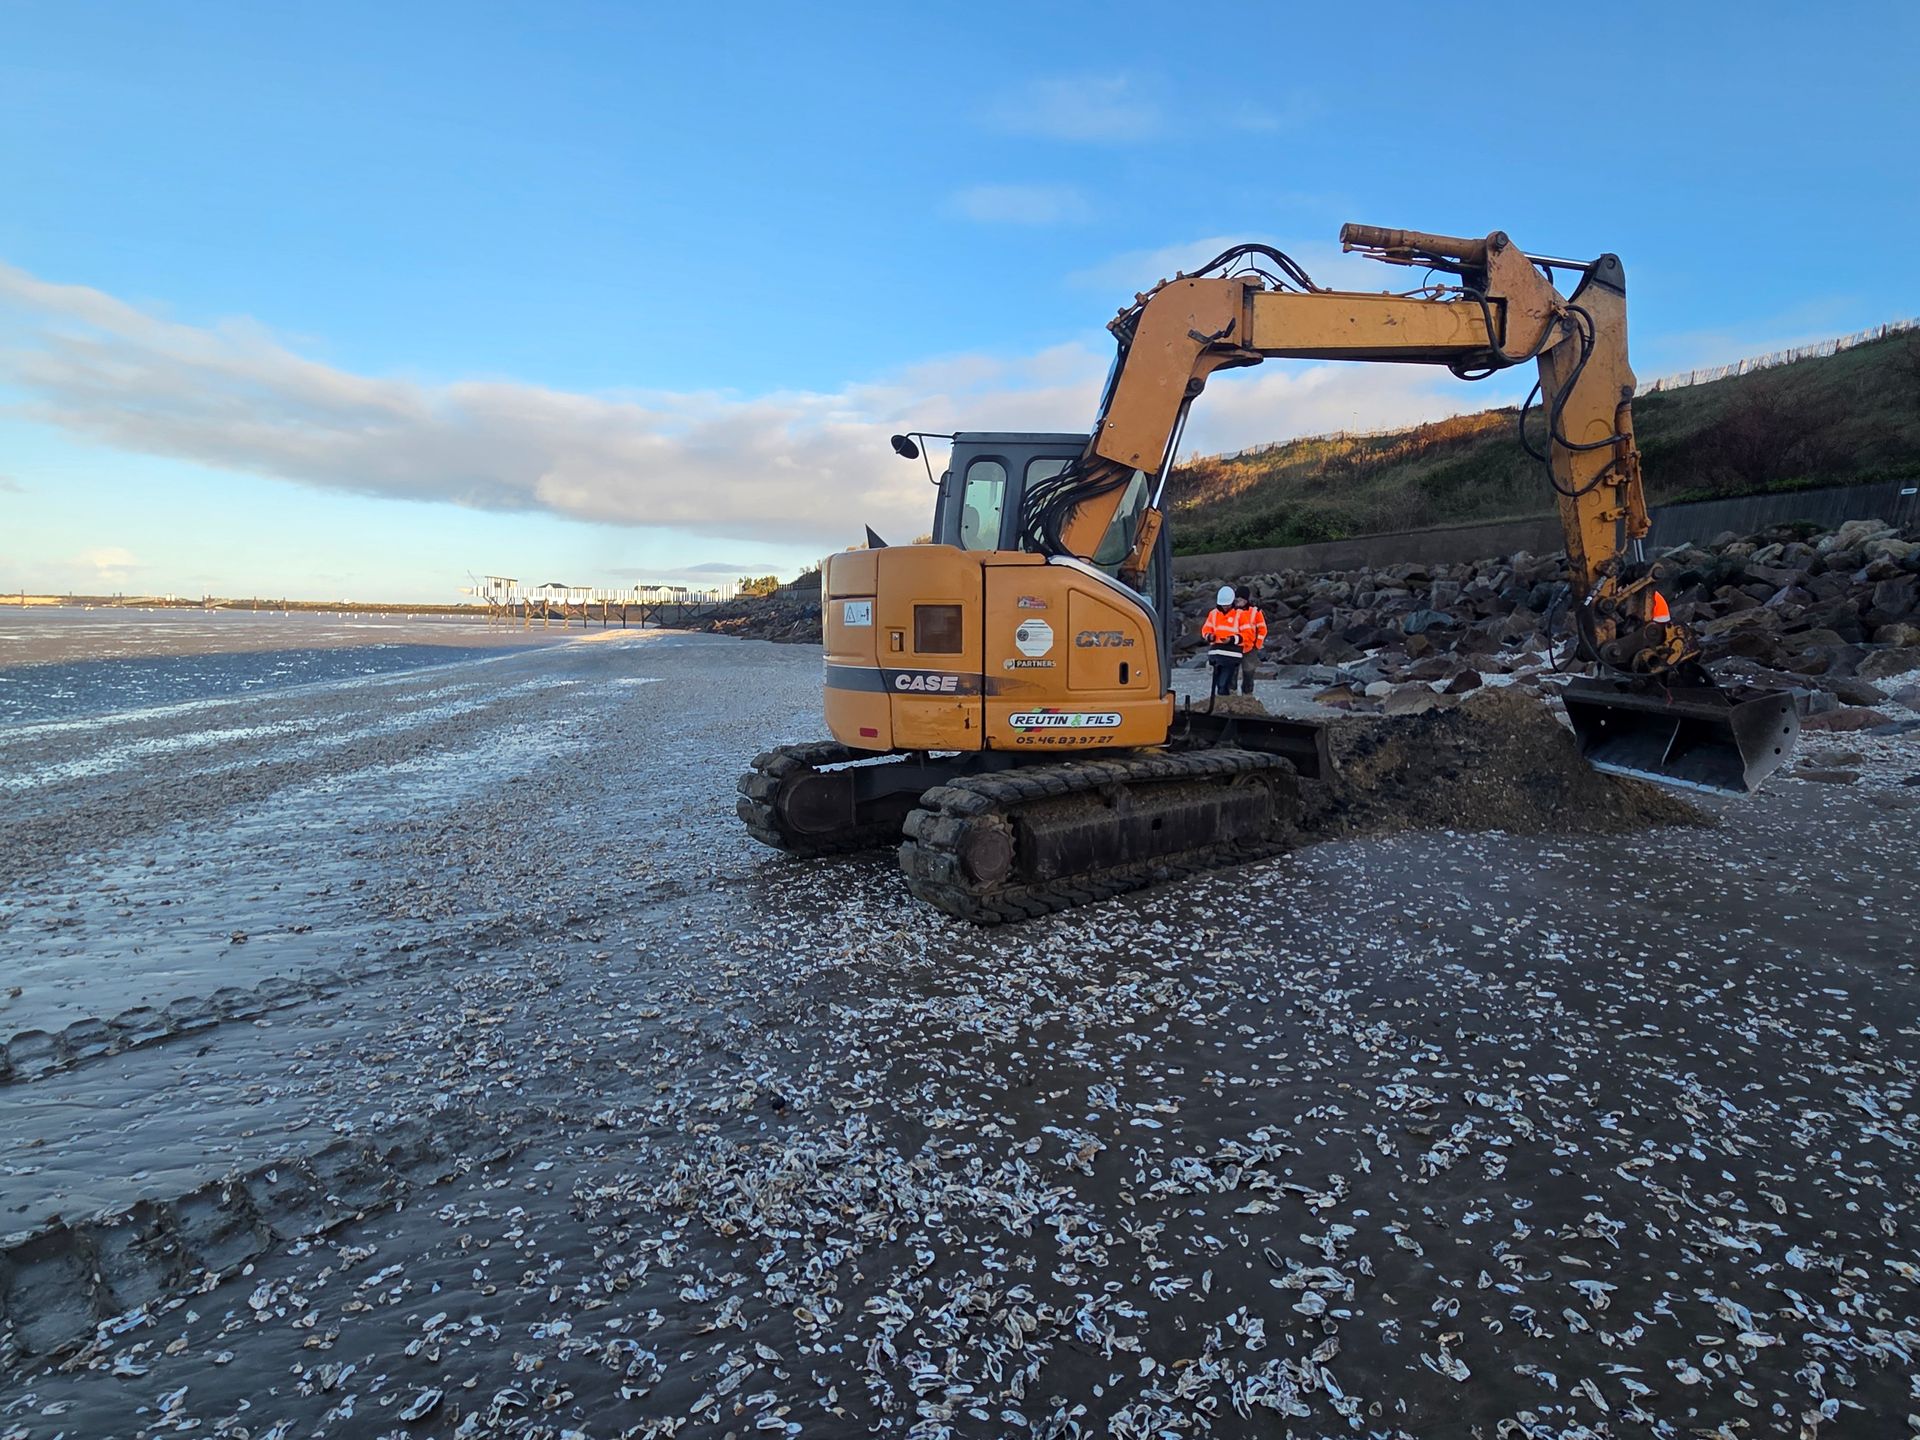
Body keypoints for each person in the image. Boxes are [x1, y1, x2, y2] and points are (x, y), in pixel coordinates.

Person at [1201, 585, 1242, 695]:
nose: (1225, 607)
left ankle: (1224, 698)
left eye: (1227, 605)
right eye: (1223, 605)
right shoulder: (1213, 614)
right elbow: (1206, 630)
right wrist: (1209, 636)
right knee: (1219, 682)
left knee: (1224, 684)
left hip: (1232, 653)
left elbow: (1246, 634)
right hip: (1216, 653)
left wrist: (1231, 639)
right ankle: (1222, 698)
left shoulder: (1239, 615)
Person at [1232, 585, 1268, 695]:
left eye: (1241, 599)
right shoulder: (1231, 611)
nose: (1238, 601)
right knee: (1232, 673)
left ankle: (1247, 696)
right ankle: (1231, 695)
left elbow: (1262, 629)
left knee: (1248, 674)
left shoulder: (1255, 612)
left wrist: (1257, 644)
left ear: (1246, 599)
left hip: (1250, 649)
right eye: (1237, 599)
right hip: (1234, 647)